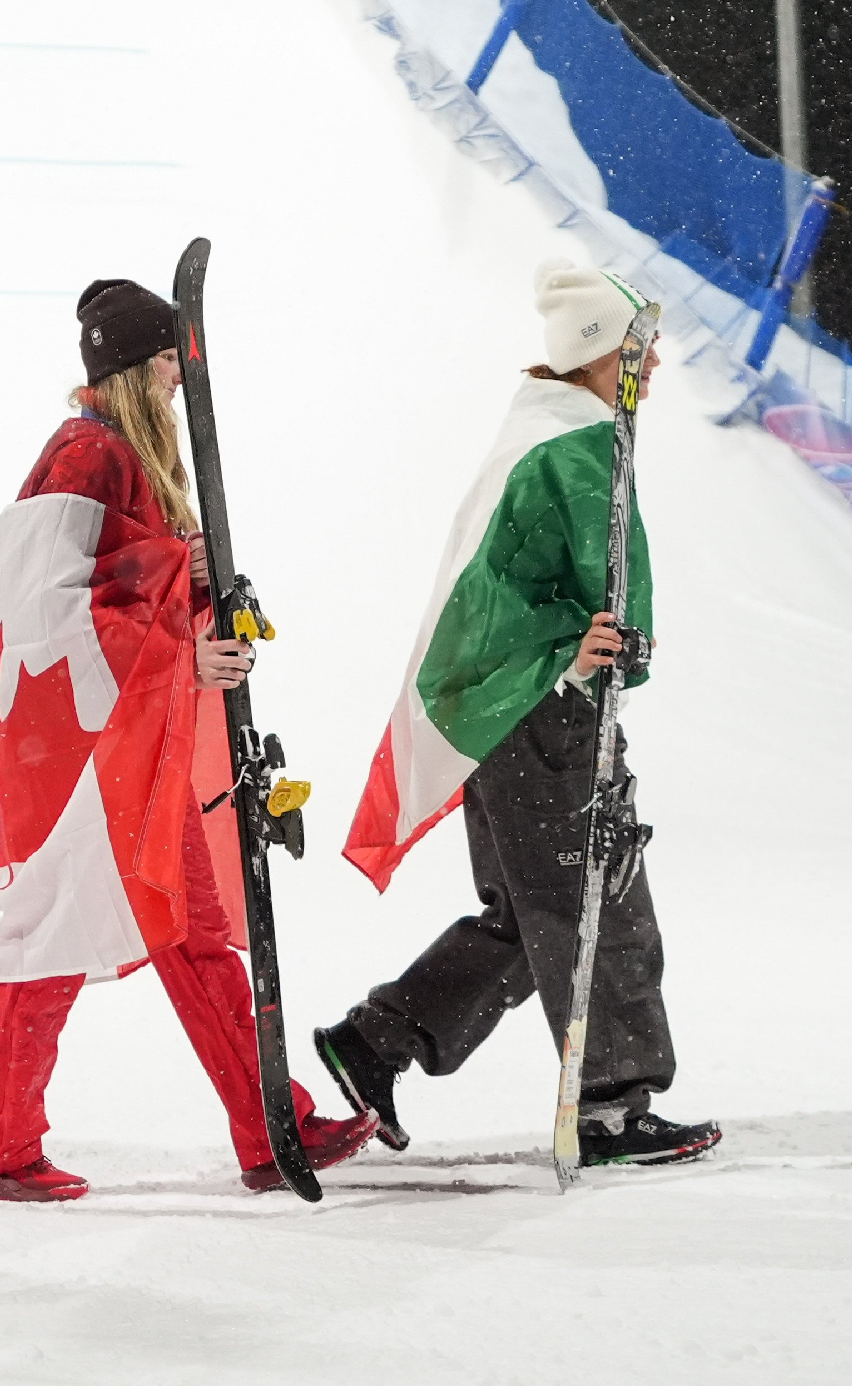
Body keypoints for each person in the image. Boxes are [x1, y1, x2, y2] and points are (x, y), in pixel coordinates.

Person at [0, 279, 376, 1201]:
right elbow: (48, 623)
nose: (182, 385)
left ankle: (271, 1127)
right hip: (80, 761)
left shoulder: (123, 458)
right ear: (137, 370)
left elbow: (131, 586)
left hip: (131, 752)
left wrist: (199, 597)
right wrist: (183, 659)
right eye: (170, 369)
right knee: (50, 938)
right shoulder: (82, 457)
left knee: (197, 935)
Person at [325, 260, 718, 1168]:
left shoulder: (538, 425)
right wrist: (570, 653)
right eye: (638, 348)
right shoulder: (578, 444)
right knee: (596, 898)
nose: (652, 364)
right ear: (596, 354)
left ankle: (374, 1043)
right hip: (541, 710)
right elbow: (529, 600)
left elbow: (493, 588)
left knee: (529, 913)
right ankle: (614, 1108)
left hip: (499, 716)